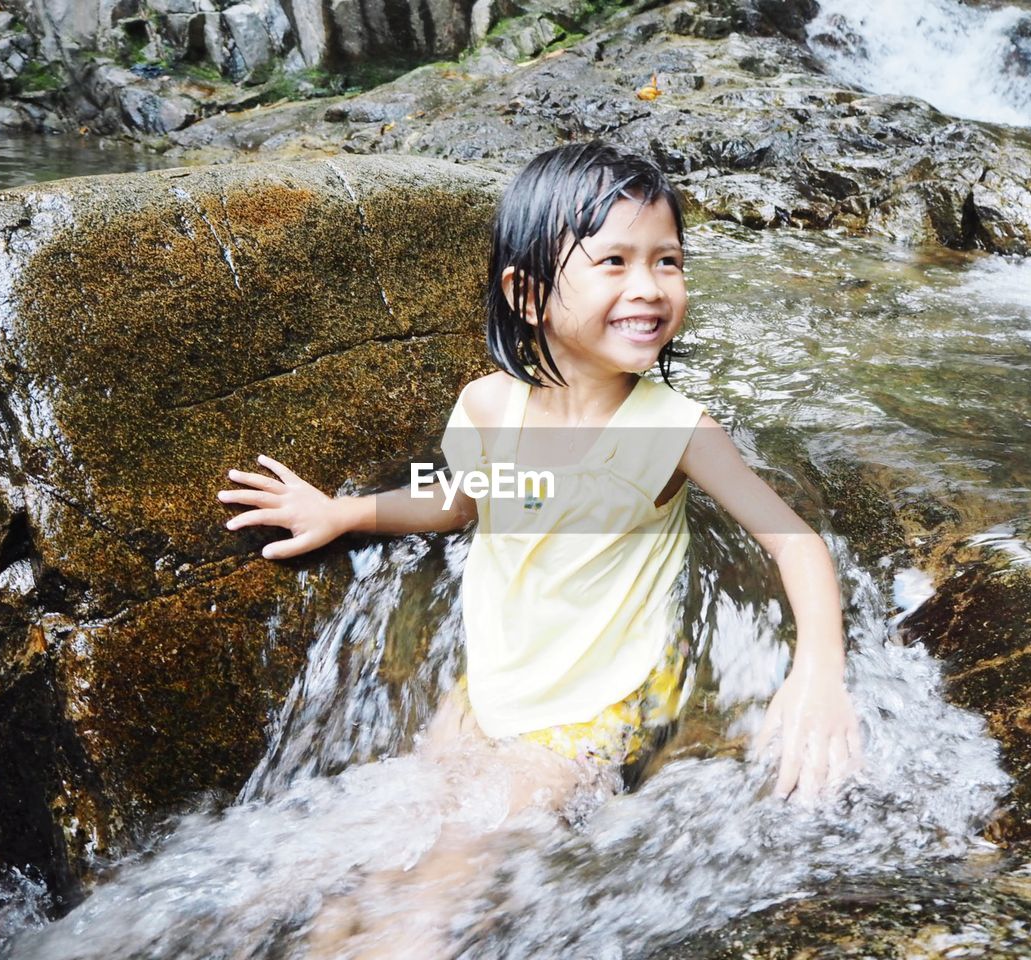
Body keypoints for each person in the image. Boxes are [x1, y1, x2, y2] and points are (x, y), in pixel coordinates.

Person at [218, 140, 862, 954]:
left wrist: (819, 674)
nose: (649, 288)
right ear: (527, 295)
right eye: (615, 262)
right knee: (339, 881)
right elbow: (460, 501)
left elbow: (795, 543)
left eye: (667, 261)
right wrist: (344, 512)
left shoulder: (675, 432)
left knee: (432, 906)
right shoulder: (490, 406)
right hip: (484, 692)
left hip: (595, 714)